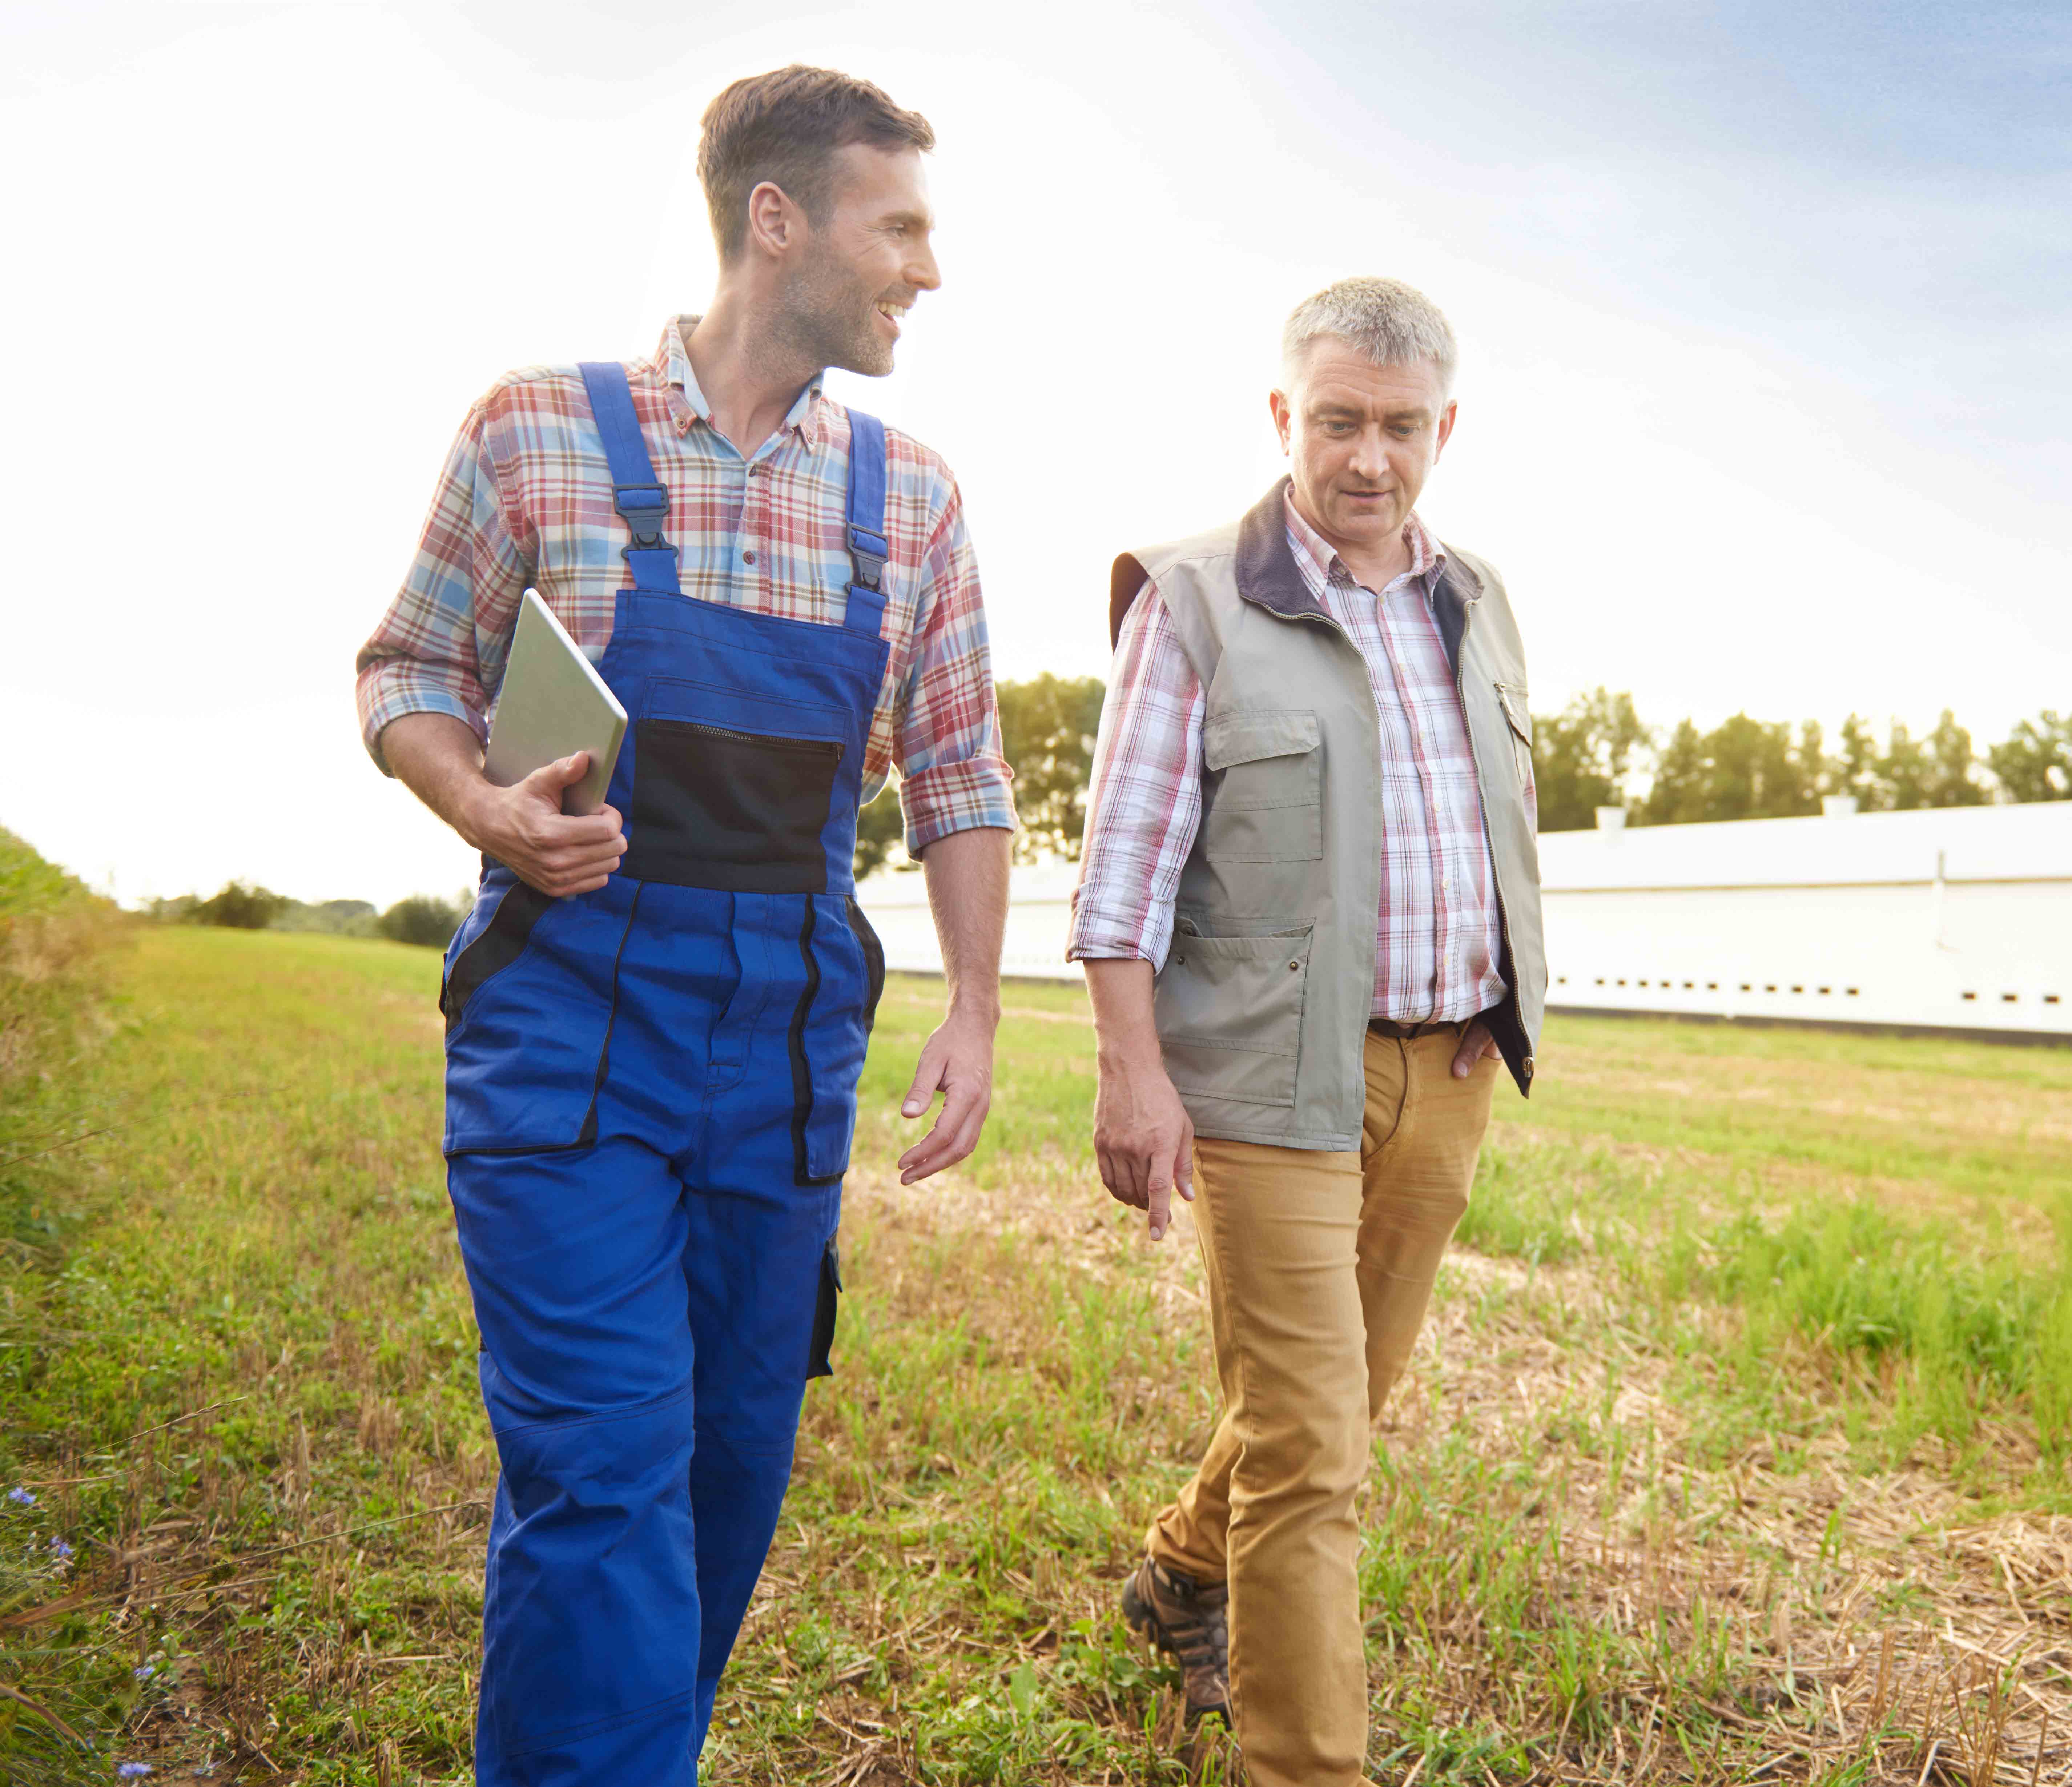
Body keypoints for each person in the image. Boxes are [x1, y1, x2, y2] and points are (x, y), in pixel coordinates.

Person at [352, 65, 1013, 1786]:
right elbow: (408, 668)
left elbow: (957, 776)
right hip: (565, 1018)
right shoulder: (536, 428)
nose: (926, 271)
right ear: (775, 222)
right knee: (603, 1468)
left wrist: (974, 1013)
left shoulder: (912, 501)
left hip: (783, 1036)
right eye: (903, 228)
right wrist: (484, 808)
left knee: (726, 1468)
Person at [1072, 277, 1547, 1785]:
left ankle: (1178, 1572)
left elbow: (1497, 826)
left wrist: (1494, 994)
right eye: (1336, 420)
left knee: (1335, 1403)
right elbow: (1125, 862)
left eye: (1401, 427)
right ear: (1282, 415)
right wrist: (1131, 1070)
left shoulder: (1477, 600)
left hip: (1445, 1064)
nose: (1367, 458)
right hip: (1271, 1077)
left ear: (1444, 428)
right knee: (1313, 1451)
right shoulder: (1195, 595)